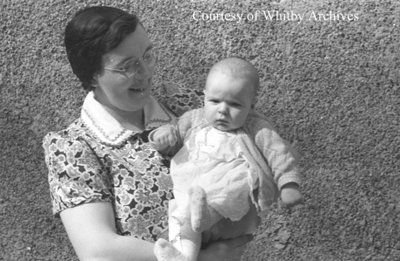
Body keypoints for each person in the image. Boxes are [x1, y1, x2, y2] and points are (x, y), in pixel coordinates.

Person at [42, 6, 251, 261]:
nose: (146, 72)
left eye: (147, 55)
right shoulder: (74, 147)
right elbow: (97, 251)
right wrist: (200, 259)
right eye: (127, 66)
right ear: (93, 74)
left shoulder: (181, 102)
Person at [149, 57, 303, 261]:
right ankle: (181, 256)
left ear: (251, 105)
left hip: (228, 185)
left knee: (225, 190)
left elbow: (277, 152)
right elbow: (174, 139)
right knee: (182, 215)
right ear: (204, 96)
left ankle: (202, 218)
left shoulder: (256, 127)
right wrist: (162, 137)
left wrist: (288, 183)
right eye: (214, 101)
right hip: (194, 186)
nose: (222, 110)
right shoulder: (193, 119)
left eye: (234, 104)